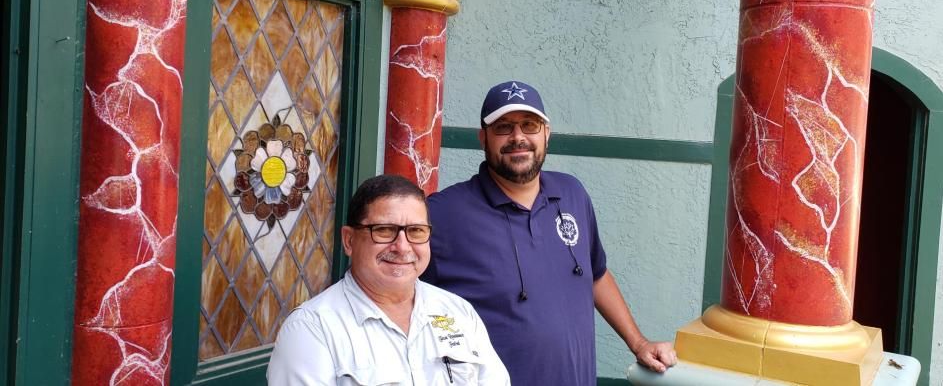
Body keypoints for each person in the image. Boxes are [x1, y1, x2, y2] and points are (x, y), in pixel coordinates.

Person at [423, 80, 677, 385]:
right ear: (483, 138)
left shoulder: (572, 194)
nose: (518, 137)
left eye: (529, 125)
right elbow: (400, 295)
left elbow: (596, 275)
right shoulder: (443, 213)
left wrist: (638, 343)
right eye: (503, 127)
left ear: (546, 134)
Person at [268, 174, 510, 386]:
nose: (402, 247)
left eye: (416, 231)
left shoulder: (458, 312)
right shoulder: (312, 329)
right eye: (384, 230)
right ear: (349, 240)